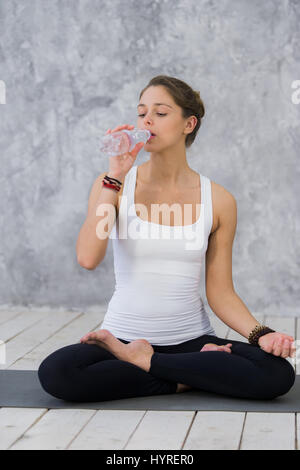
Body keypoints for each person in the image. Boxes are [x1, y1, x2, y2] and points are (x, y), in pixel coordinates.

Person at [38, 75, 296, 403]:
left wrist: (262, 335)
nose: (146, 120)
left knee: (277, 374)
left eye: (160, 113)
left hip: (191, 340)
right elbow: (88, 258)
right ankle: (186, 376)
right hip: (121, 339)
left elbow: (221, 292)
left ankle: (148, 362)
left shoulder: (219, 200)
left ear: (189, 123)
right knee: (57, 373)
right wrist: (114, 178)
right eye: (141, 112)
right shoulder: (112, 186)